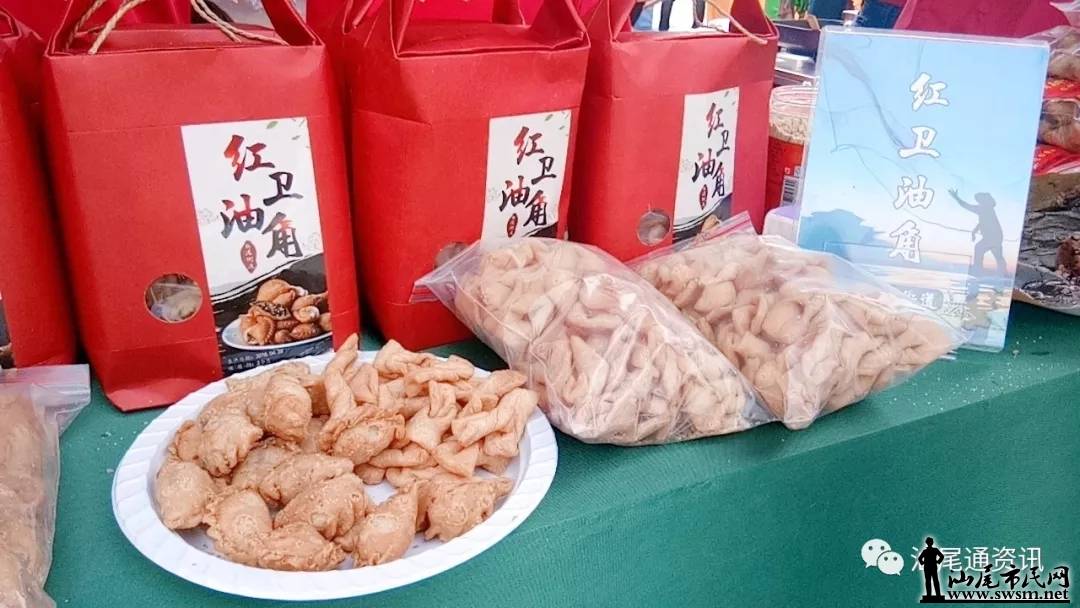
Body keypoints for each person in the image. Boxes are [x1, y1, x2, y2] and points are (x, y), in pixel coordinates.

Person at [950, 189, 1006, 276]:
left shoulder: (983, 208)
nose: (977, 201)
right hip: (996, 237)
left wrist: (956, 197)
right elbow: (982, 222)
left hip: (993, 237)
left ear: (983, 200)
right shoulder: (988, 209)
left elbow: (966, 205)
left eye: (979, 200)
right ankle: (1001, 272)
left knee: (979, 248)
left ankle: (978, 270)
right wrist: (974, 232)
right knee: (997, 255)